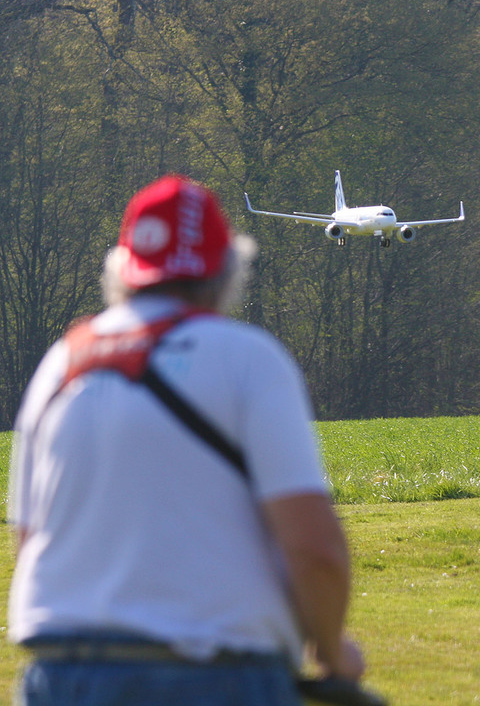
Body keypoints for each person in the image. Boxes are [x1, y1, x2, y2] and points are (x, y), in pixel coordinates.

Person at [8, 174, 364, 706]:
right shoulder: (248, 359)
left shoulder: (60, 364)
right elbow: (314, 550)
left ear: (121, 271)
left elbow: (32, 539)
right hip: (216, 674)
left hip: (61, 674)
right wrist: (332, 653)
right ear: (227, 271)